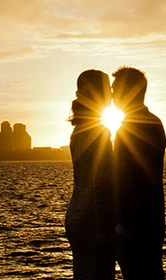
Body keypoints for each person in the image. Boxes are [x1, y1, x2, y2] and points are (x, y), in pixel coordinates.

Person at [112, 66, 166, 280]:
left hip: (135, 226)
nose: (112, 96)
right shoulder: (151, 122)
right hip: (148, 222)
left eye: (116, 90)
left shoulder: (134, 127)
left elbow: (128, 178)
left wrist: (121, 226)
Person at [65, 69, 116, 280]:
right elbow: (101, 183)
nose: (111, 94)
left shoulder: (78, 130)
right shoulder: (99, 132)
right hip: (92, 220)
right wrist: (105, 230)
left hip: (75, 215)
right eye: (107, 89)